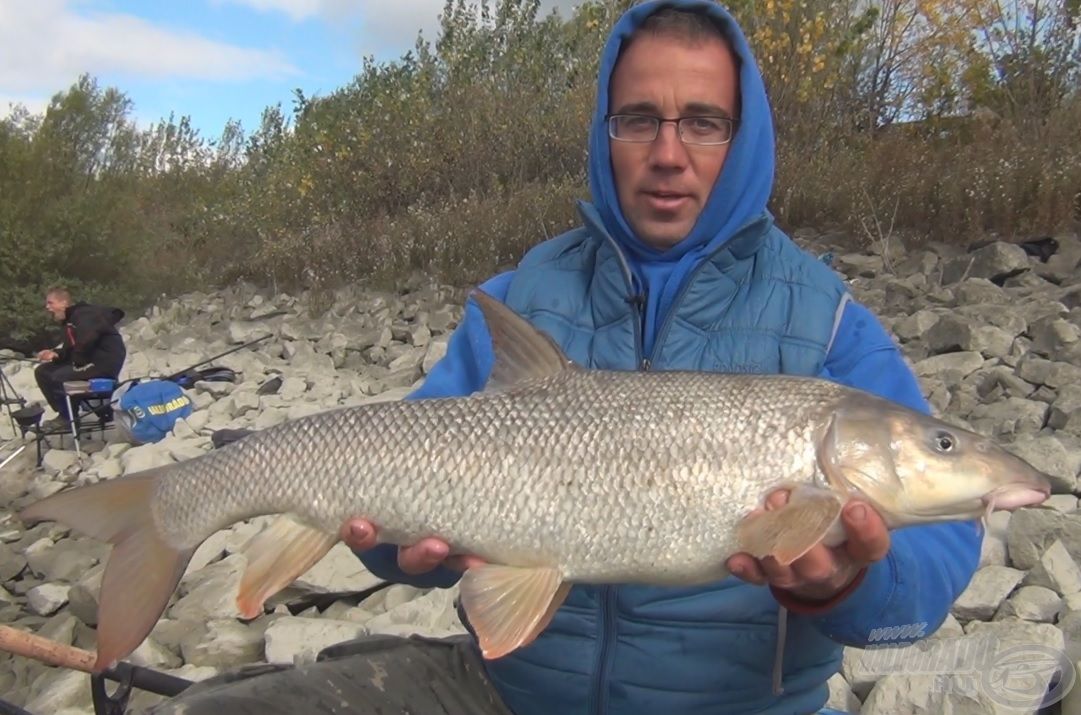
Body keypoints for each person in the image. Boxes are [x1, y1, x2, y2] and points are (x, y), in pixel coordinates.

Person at [150, 2, 982, 713]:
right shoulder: (519, 296)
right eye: (639, 119)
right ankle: (158, 515)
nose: (668, 151)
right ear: (605, 131)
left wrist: (841, 583)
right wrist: (383, 546)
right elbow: (398, 506)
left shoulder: (829, 321)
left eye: (702, 121)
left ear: (744, 136)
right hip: (510, 692)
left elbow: (923, 587)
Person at [34, 287, 126, 429]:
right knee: (42, 372)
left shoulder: (84, 314)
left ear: (64, 303)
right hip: (89, 362)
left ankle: (68, 418)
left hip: (103, 363)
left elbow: (87, 340)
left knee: (59, 376)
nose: (47, 307)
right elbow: (71, 348)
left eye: (50, 303)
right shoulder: (71, 321)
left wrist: (77, 363)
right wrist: (55, 354)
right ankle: (66, 412)